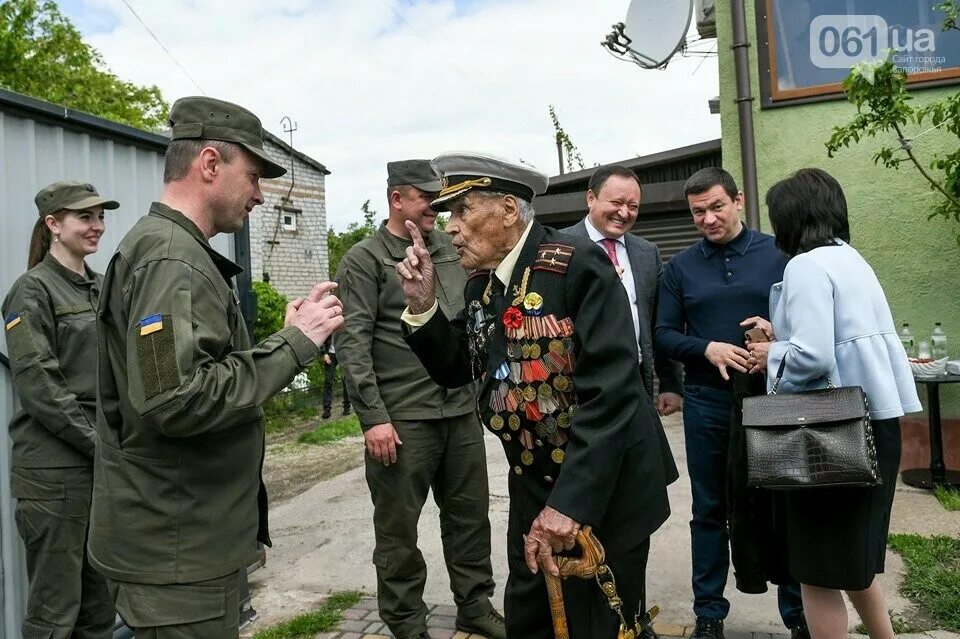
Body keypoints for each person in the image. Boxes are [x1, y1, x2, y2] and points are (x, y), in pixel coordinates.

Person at [87, 96, 344, 639]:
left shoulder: (170, 250)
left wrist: (283, 337)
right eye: (252, 176)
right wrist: (296, 344)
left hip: (181, 541)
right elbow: (174, 399)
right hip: (177, 553)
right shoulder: (171, 259)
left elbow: (190, 374)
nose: (259, 193)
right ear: (209, 164)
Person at [398, 152, 674, 638]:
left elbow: (612, 396)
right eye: (449, 216)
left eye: (461, 212)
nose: (451, 228)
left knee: (601, 624)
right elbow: (456, 365)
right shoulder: (484, 284)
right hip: (536, 483)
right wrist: (422, 305)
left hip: (604, 484)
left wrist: (569, 505)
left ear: (507, 209)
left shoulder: (577, 266)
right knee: (530, 619)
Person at [747, 168, 921, 639]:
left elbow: (815, 356)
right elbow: (842, 344)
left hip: (830, 434)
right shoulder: (850, 259)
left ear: (791, 218)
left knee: (818, 571)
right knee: (852, 562)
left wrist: (771, 352)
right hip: (873, 426)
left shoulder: (804, 266)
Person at [334, 159, 503, 639]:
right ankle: (407, 620)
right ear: (397, 199)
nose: (438, 208)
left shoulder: (451, 250)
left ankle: (475, 604)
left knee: (471, 519)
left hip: (459, 412)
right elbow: (353, 343)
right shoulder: (364, 260)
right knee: (398, 531)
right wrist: (373, 418)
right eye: (429, 199)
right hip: (404, 419)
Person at [655, 167, 807, 639]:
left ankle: (797, 613)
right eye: (698, 211)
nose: (708, 218)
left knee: (782, 503)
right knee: (708, 509)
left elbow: (808, 322)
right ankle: (709, 613)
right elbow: (662, 333)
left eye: (716, 206)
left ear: (738, 201)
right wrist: (706, 348)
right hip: (707, 402)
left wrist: (777, 341)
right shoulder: (679, 267)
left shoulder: (780, 254)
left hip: (774, 400)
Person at [565, 164, 682, 639]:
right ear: (590, 198)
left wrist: (669, 382)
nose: (625, 212)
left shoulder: (647, 252)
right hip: (582, 399)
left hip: (635, 393)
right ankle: (589, 620)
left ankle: (630, 616)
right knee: (586, 516)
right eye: (616, 202)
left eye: (633, 205)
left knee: (637, 512)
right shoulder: (561, 246)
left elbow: (656, 323)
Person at [2, 181, 119, 638]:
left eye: (100, 216)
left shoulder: (103, 287)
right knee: (55, 610)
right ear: (53, 224)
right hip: (54, 476)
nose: (96, 226)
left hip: (99, 467)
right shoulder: (30, 291)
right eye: (84, 217)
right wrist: (100, 445)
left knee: (99, 606)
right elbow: (39, 386)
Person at [320, 336, 350, 419]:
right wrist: (325, 353)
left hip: (343, 353)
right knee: (328, 381)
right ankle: (326, 410)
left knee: (346, 380)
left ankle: (347, 407)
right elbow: (322, 338)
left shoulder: (345, 323)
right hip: (330, 355)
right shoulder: (328, 323)